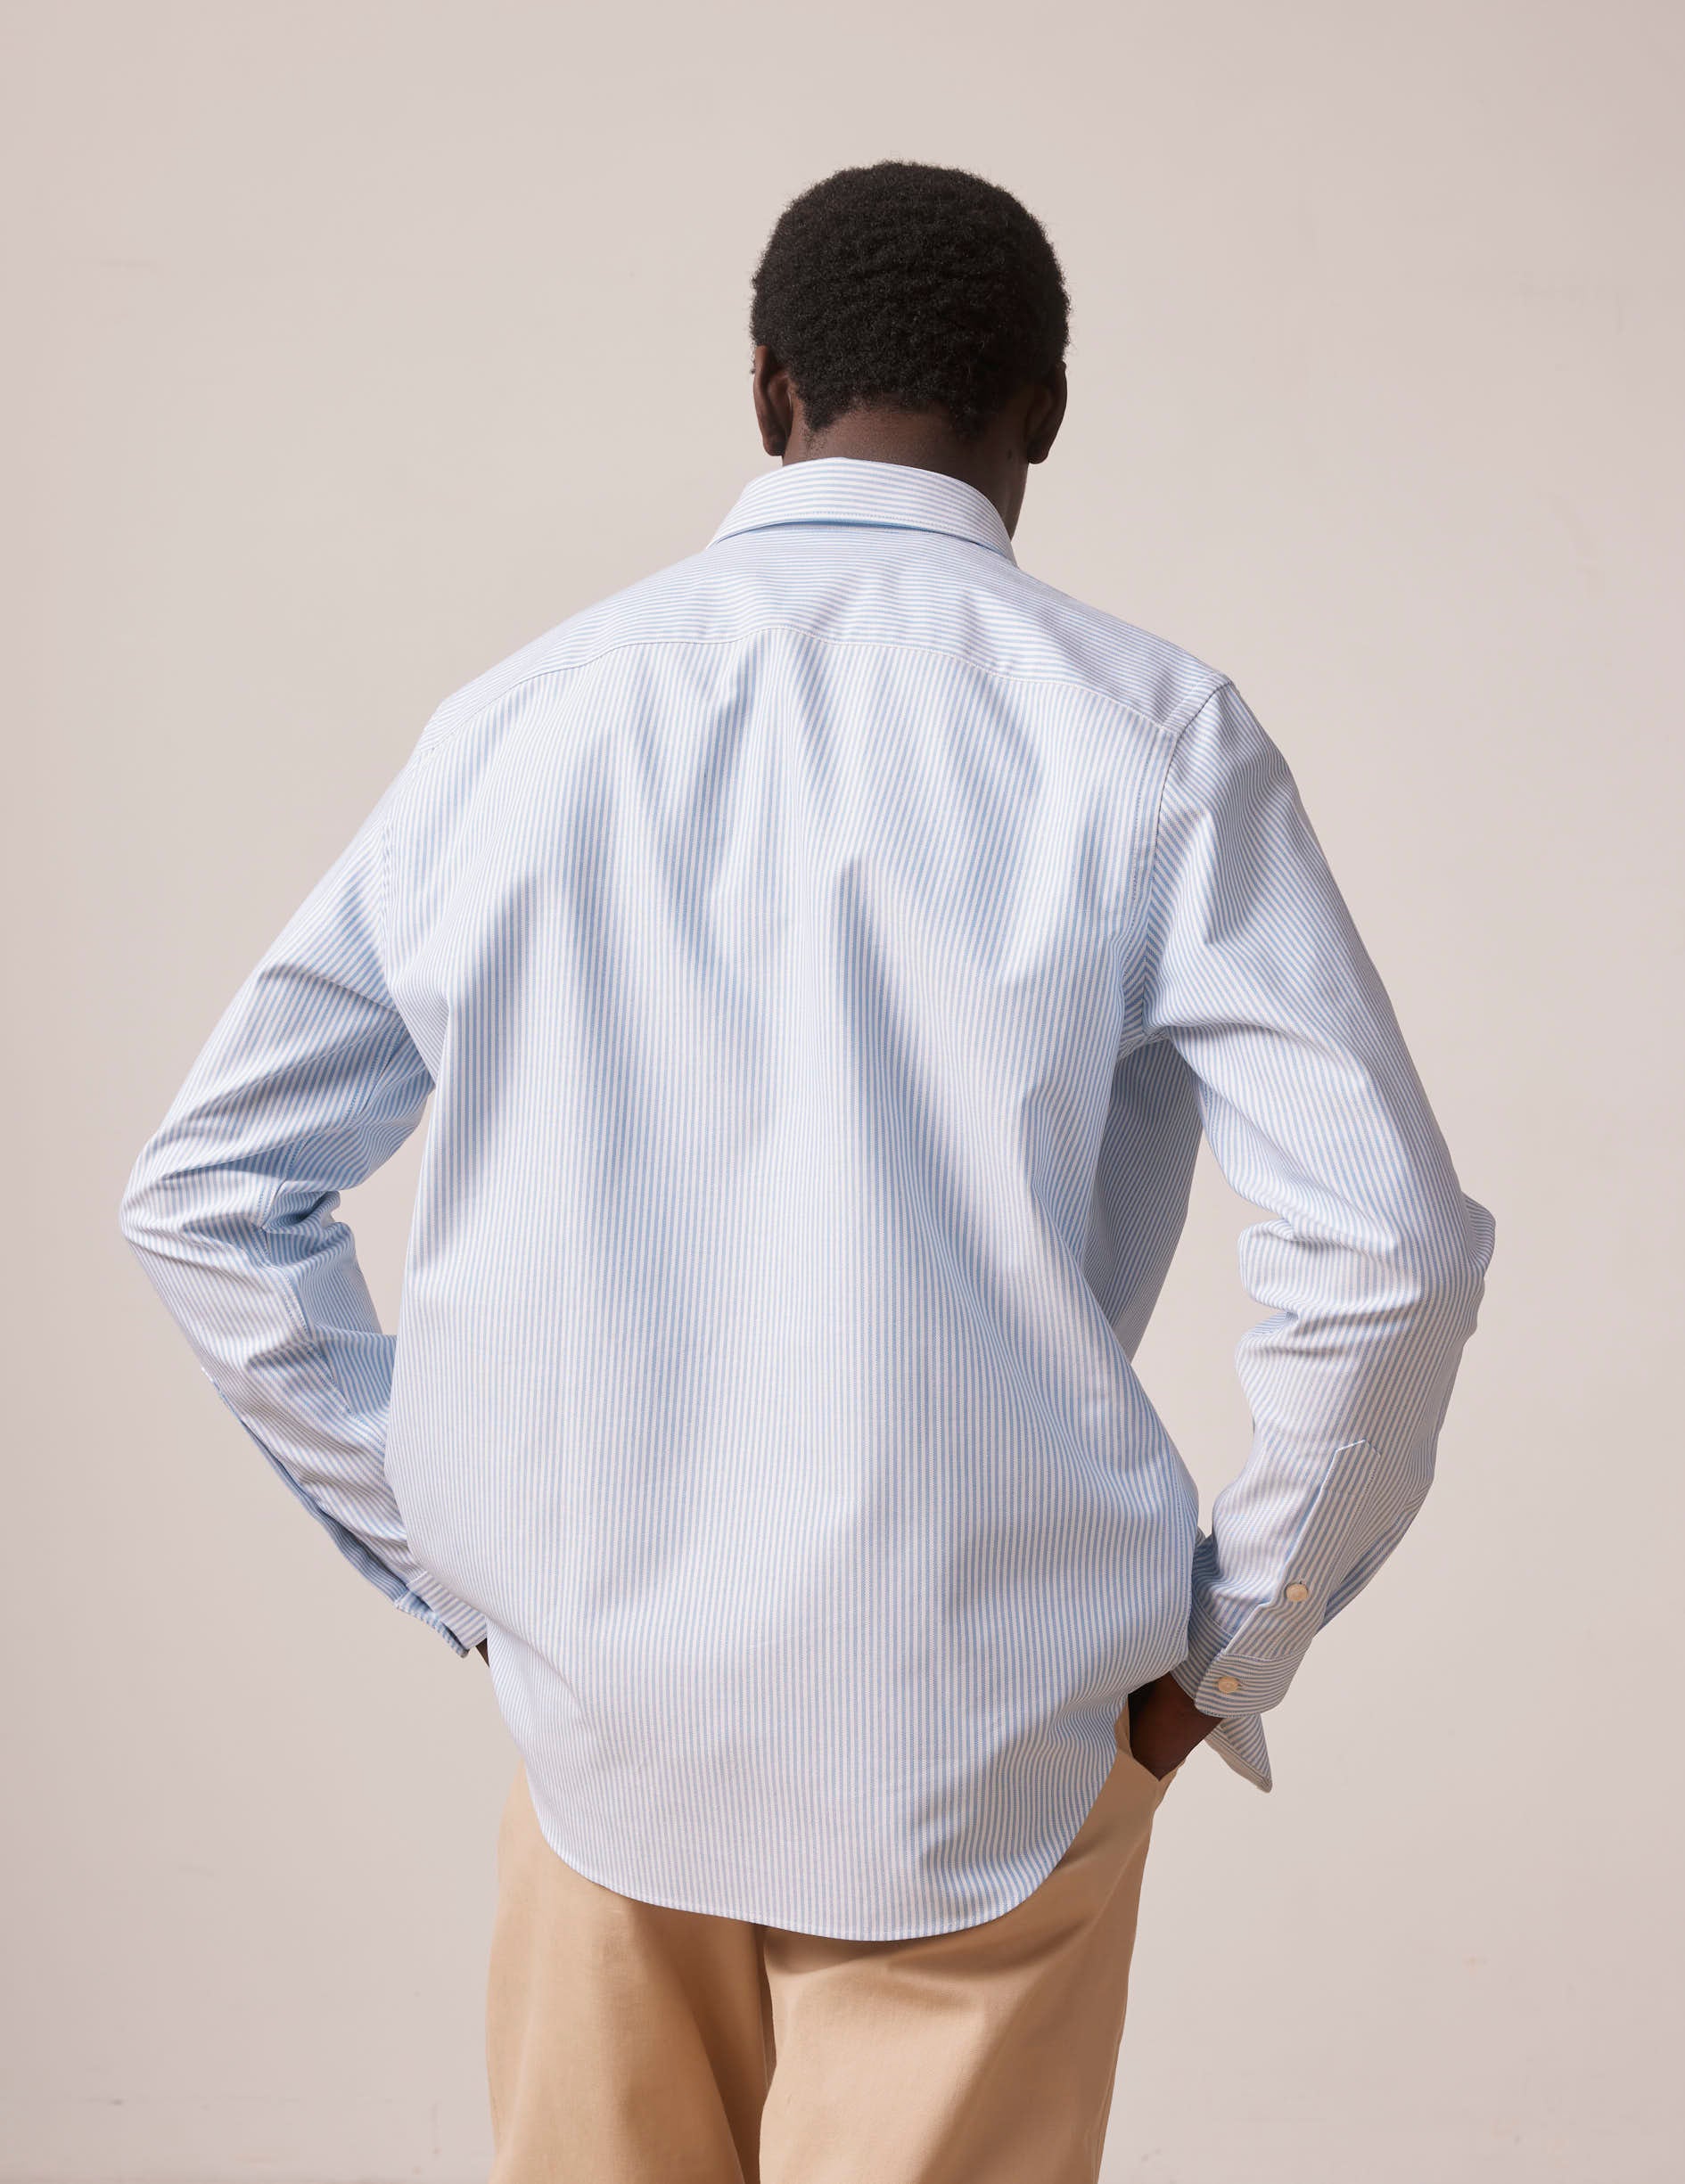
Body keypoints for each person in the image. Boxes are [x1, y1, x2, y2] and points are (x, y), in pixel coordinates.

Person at [119, 160, 1495, 2182]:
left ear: (768, 392)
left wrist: (460, 1559)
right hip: (992, 1741)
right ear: (1043, 412)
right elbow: (1388, 1252)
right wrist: (1229, 1655)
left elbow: (208, 1189)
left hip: (604, 1736)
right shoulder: (1151, 735)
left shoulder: (521, 722)